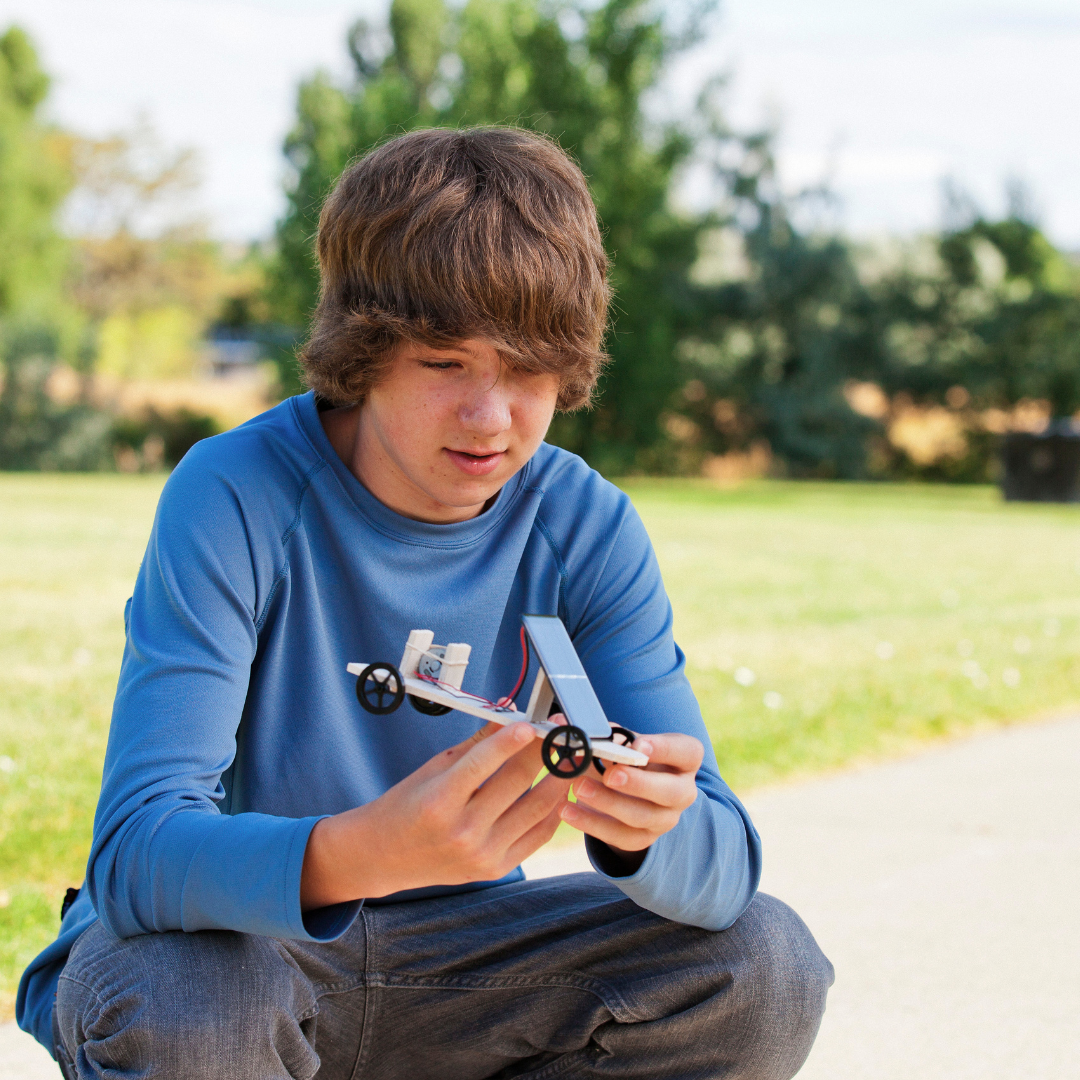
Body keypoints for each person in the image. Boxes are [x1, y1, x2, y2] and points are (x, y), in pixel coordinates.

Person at [19, 127, 832, 1079]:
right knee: (195, 1002)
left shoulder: (585, 524)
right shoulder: (235, 491)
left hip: (465, 971)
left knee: (764, 966)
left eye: (529, 370)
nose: (492, 419)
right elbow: (134, 853)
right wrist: (360, 853)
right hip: (243, 950)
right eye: (446, 364)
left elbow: (728, 870)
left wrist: (654, 827)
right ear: (363, 354)